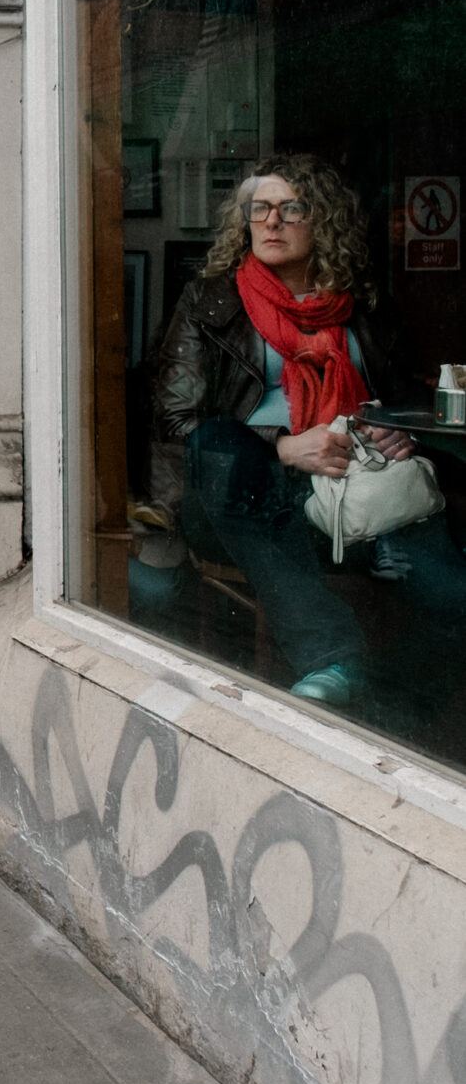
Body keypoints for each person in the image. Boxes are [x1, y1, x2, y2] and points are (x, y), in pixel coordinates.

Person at [155, 152, 466, 708]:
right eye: (260, 209)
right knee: (217, 441)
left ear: (323, 219)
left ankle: (408, 695)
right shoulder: (209, 301)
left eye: (291, 208)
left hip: (356, 480)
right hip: (244, 494)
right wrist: (283, 448)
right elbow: (176, 424)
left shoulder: (364, 306)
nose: (271, 222)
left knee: (451, 598)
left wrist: (398, 433)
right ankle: (332, 656)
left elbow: (408, 405)